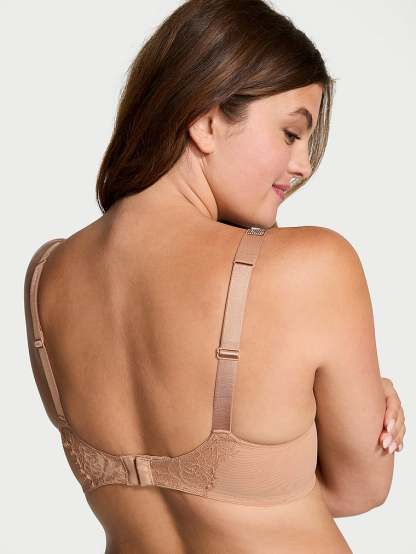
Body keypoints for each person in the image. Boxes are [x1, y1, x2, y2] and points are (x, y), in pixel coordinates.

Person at [24, 1, 406, 552]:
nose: (303, 164)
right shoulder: (312, 265)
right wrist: (357, 404)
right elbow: (360, 488)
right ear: (206, 122)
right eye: (290, 133)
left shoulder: (48, 277)